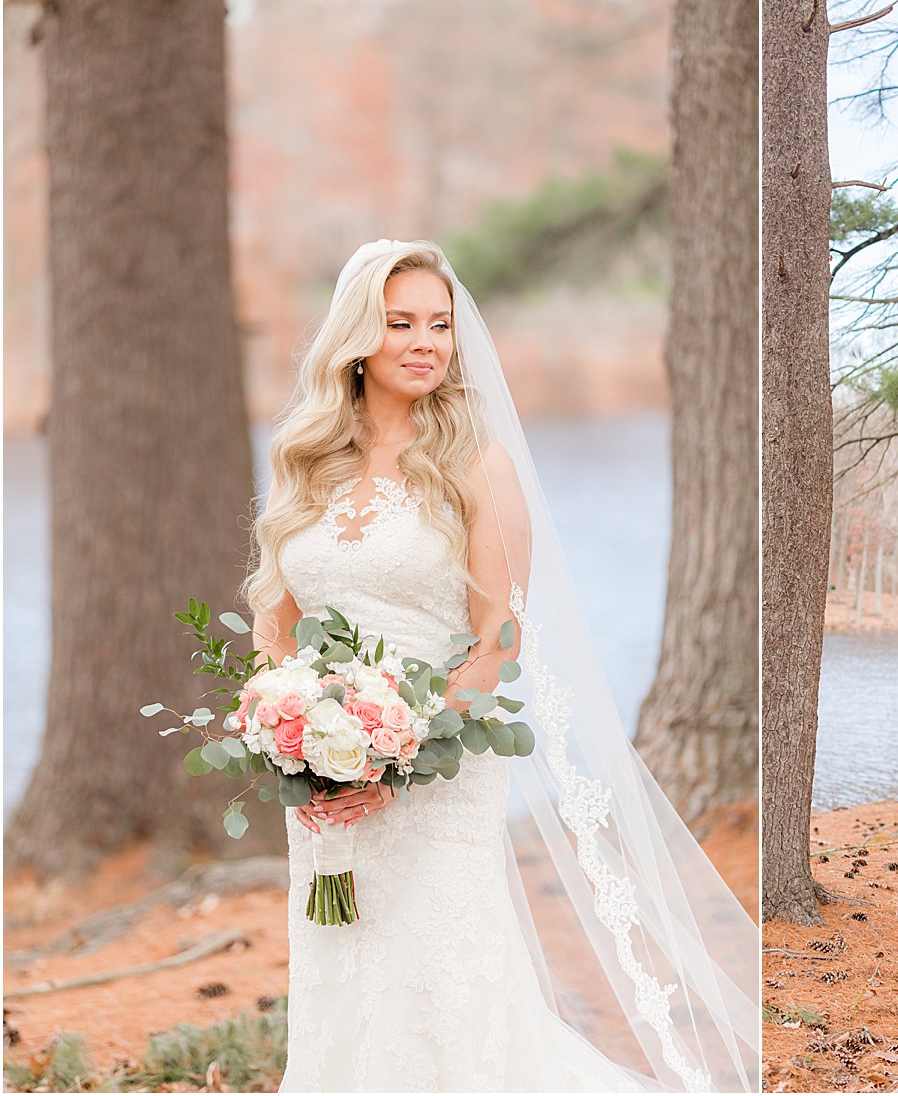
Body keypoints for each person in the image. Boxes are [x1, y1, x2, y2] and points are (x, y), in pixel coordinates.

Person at [246, 239, 758, 1092]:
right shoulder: (304, 465)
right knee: (343, 968)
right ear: (357, 339)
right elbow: (275, 629)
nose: (425, 342)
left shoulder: (478, 465)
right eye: (400, 322)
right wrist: (291, 737)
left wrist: (397, 757)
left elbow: (498, 639)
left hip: (438, 765)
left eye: (439, 325)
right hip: (325, 783)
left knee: (442, 978)